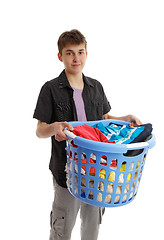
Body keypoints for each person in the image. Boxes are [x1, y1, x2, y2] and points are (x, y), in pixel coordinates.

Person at [33, 29, 142, 240]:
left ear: (86, 54)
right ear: (60, 56)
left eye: (80, 52)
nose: (76, 58)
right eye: (70, 53)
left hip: (96, 169)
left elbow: (104, 119)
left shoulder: (96, 87)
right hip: (67, 172)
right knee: (62, 229)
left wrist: (125, 118)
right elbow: (40, 130)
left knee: (92, 229)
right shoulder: (51, 89)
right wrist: (54, 127)